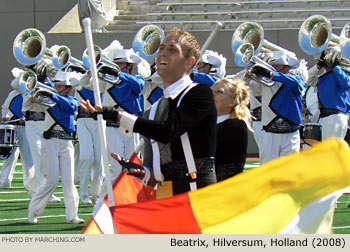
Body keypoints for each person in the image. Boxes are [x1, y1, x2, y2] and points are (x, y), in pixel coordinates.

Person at [81, 27, 218, 196]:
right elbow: (153, 172)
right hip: (165, 194)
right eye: (161, 49)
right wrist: (137, 171)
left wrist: (116, 115)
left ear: (189, 62)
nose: (162, 54)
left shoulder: (200, 93)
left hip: (197, 190)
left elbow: (168, 131)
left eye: (173, 50)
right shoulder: (153, 110)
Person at [80, 41, 150, 180]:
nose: (117, 67)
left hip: (131, 126)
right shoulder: (107, 82)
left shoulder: (135, 79)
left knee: (134, 163)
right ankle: (115, 198)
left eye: (120, 64)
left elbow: (139, 85)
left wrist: (118, 74)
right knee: (116, 166)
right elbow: (85, 83)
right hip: (113, 126)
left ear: (129, 65)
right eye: (115, 64)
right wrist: (92, 70)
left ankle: (133, 197)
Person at [27, 71, 84, 224]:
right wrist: (32, 91)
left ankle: (72, 215)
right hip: (50, 142)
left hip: (66, 143)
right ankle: (33, 211)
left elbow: (70, 108)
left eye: (59, 86)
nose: (55, 88)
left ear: (67, 88)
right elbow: (28, 106)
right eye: (55, 86)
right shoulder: (47, 101)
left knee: (68, 181)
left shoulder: (71, 100)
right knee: (51, 181)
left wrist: (52, 95)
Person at [11, 68, 61, 202]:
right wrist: (29, 72)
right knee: (38, 154)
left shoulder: (49, 83)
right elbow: (15, 85)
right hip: (32, 121)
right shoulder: (27, 81)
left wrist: (47, 75)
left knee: (46, 156)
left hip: (46, 121)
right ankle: (43, 192)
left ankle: (35, 188)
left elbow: (57, 92)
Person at [249, 51, 305, 164]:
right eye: (273, 66)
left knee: (290, 168)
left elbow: (296, 82)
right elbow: (252, 88)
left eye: (277, 66)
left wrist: (271, 75)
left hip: (290, 131)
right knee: (267, 167)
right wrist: (252, 72)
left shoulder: (296, 80)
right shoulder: (265, 83)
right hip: (270, 131)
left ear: (286, 68)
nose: (274, 68)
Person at [212, 78, 253, 182]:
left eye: (219, 92)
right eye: (210, 91)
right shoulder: (207, 123)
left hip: (223, 188)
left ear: (232, 101)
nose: (211, 95)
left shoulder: (236, 125)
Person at [307, 48, 350, 141]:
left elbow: (346, 84)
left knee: (332, 149)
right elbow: (307, 78)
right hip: (325, 117)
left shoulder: (339, 75)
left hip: (336, 117)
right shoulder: (322, 78)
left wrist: (336, 66)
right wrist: (318, 66)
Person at [0, 90, 35, 193]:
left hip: (26, 128)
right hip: (13, 127)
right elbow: (5, 107)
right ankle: (4, 182)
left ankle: (30, 184)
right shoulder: (13, 93)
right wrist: (4, 116)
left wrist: (28, 117)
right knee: (10, 155)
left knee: (27, 156)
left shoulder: (32, 94)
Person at [75, 86, 104, 204]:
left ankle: (97, 193)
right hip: (83, 120)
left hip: (99, 120)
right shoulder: (80, 81)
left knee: (98, 159)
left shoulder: (102, 81)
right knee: (86, 157)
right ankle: (83, 193)